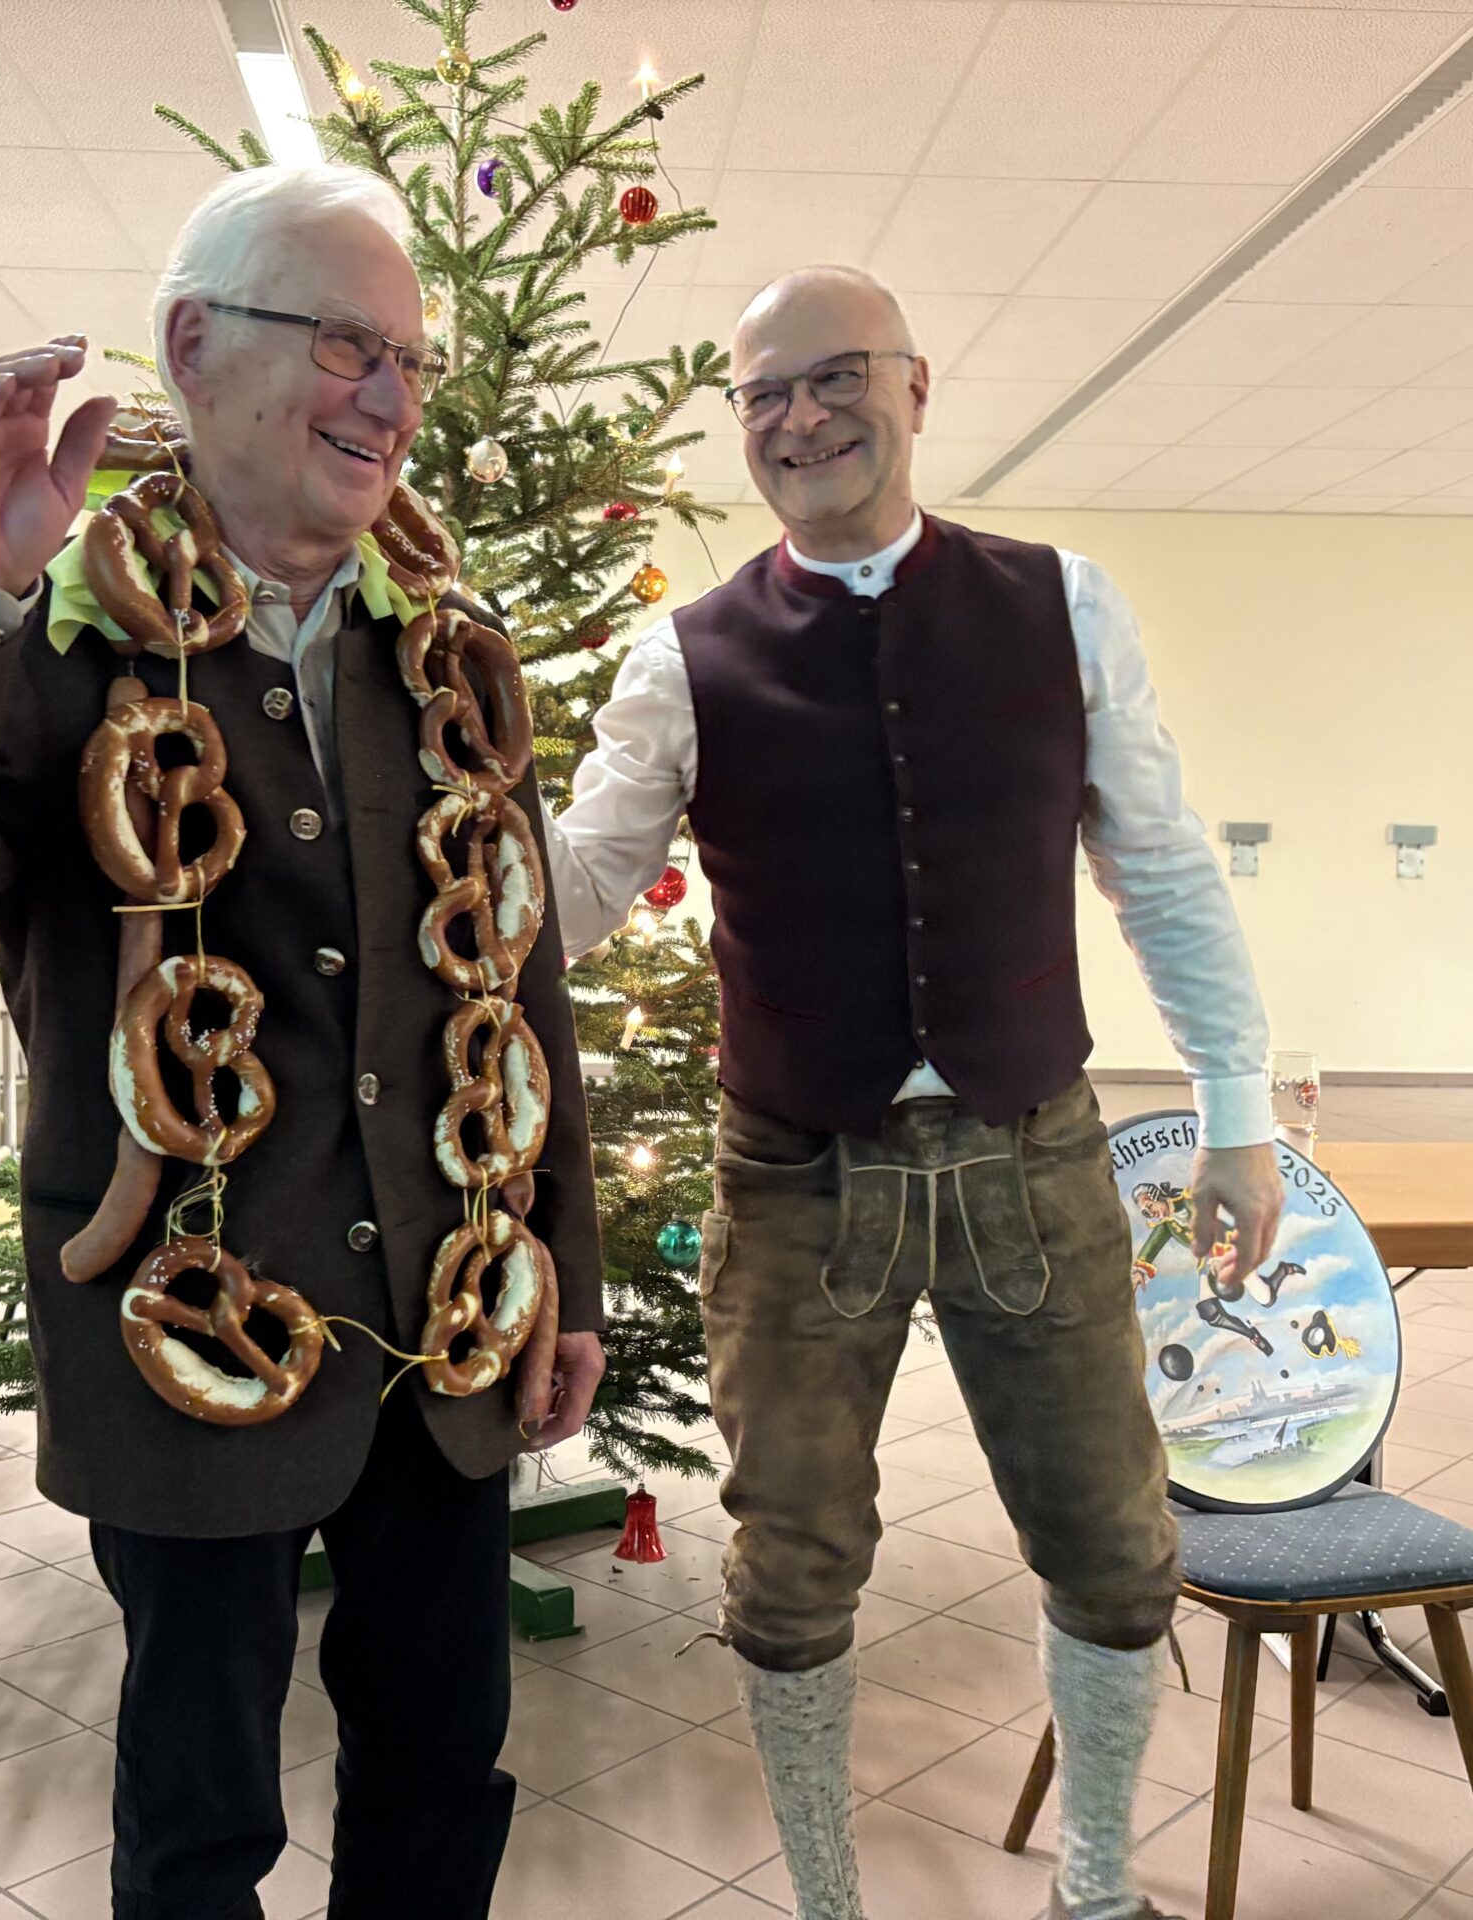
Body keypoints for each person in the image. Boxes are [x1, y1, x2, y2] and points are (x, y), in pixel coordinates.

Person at [0, 164, 606, 1920]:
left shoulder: (451, 653)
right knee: (200, 1817)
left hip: (447, 1330)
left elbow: (520, 990)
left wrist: (564, 1277)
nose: (392, 396)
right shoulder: (54, 644)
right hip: (186, 1338)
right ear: (197, 348)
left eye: (412, 360)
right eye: (349, 343)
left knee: (443, 1772)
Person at [544, 264, 1281, 1920]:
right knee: (790, 1569)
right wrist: (443, 830)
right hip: (796, 1170)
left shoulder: (1064, 604)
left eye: (837, 376)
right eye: (765, 394)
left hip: (1038, 1147)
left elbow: (1160, 867)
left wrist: (1237, 1108)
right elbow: (577, 889)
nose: (801, 417)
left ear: (916, 386)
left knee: (1118, 1551)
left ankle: (1097, 1886)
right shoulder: (683, 658)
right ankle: (828, 1903)